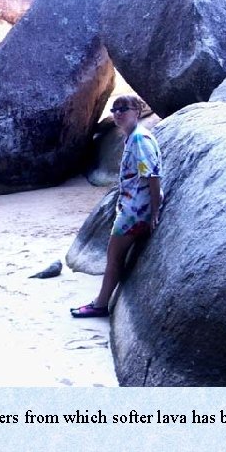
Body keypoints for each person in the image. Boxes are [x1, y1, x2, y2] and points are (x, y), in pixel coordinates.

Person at [71, 95, 163, 318]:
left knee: (113, 259)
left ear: (137, 112)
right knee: (116, 257)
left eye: (124, 108)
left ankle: (100, 304)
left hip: (134, 213)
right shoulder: (133, 137)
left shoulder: (140, 139)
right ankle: (101, 302)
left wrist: (154, 210)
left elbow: (152, 175)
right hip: (133, 208)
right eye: (115, 109)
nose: (118, 113)